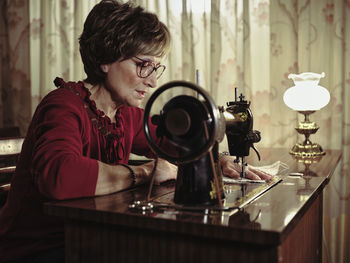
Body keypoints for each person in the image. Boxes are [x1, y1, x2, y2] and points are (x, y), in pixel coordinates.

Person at [0, 1, 271, 262]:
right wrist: (145, 173)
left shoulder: (125, 114)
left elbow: (176, 140)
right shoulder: (63, 104)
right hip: (38, 249)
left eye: (155, 68)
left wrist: (219, 159)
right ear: (105, 58)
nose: (152, 81)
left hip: (88, 238)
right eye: (143, 65)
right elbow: (60, 177)